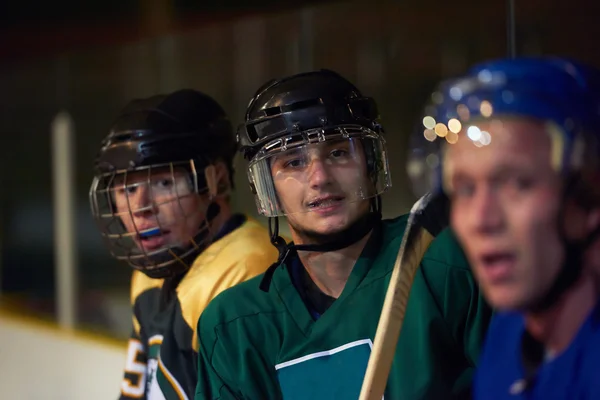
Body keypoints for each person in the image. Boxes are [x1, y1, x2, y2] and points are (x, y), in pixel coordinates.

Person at [193, 70, 492, 399]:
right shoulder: (234, 325)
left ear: (370, 163)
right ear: (267, 187)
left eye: (337, 153)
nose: (319, 178)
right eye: (293, 162)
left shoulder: (440, 258)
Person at [407, 57, 600, 399]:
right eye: (465, 189)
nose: (482, 219)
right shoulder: (509, 333)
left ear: (588, 196)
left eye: (516, 184)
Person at [89, 89, 280, 399]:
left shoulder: (247, 269)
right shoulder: (151, 272)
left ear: (215, 180)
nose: (140, 207)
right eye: (127, 188)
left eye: (163, 183)